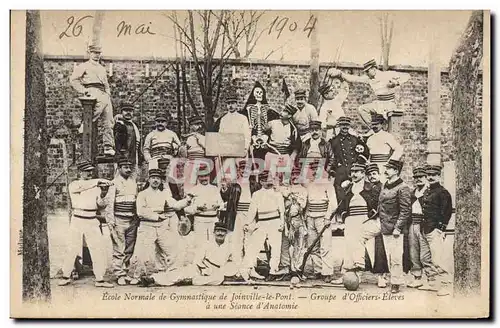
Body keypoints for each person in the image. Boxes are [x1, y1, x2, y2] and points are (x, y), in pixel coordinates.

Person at [342, 159, 411, 294]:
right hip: (381, 222)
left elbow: (405, 210)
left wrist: (398, 227)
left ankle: (396, 282)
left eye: (389, 169)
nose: (386, 171)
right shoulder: (385, 185)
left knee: (395, 256)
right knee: (357, 234)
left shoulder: (403, 188)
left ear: (396, 171)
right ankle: (359, 263)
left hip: (394, 226)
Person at [58, 161, 114, 288]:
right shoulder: (74, 185)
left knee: (97, 248)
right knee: (72, 247)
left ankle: (100, 279)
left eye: (90, 171)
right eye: (86, 171)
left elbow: (100, 204)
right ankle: (66, 276)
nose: (89, 173)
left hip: (92, 219)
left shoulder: (95, 186)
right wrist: (100, 180)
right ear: (80, 172)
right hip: (77, 219)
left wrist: (103, 194)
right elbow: (85, 186)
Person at [132, 168, 193, 284]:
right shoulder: (142, 194)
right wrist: (156, 216)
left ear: (161, 181)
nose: (155, 180)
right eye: (153, 178)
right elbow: (140, 212)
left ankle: (170, 274)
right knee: (141, 254)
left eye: (158, 178)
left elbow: (174, 205)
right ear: (149, 180)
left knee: (173, 250)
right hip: (146, 226)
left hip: (161, 227)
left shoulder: (164, 193)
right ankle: (137, 276)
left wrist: (187, 200)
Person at [327, 59, 411, 130]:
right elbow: (354, 79)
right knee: (362, 109)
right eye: (366, 71)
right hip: (379, 103)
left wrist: (395, 83)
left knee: (387, 124)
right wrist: (340, 73)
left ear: (374, 69)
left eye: (368, 71)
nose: (366, 73)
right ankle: (373, 129)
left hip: (390, 103)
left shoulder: (388, 74)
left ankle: (381, 130)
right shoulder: (369, 79)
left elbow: (407, 76)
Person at [148, 222, 233, 286]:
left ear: (226, 233)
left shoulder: (229, 247)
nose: (220, 233)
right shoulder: (207, 244)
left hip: (215, 272)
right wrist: (203, 269)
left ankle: (191, 281)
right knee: (181, 273)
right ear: (214, 232)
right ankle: (153, 279)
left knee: (219, 279)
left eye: (222, 231)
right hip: (201, 268)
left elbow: (230, 263)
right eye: (218, 231)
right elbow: (198, 259)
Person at [70, 44, 115, 156]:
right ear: (89, 53)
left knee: (109, 120)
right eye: (94, 53)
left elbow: (106, 84)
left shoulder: (102, 68)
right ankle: (86, 124)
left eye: (98, 53)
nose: (97, 55)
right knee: (103, 101)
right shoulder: (83, 66)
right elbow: (73, 80)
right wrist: (83, 90)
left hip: (103, 92)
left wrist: (108, 92)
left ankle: (108, 146)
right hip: (91, 90)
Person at [241, 170, 285, 281]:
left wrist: (282, 223)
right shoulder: (256, 194)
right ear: (261, 182)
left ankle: (273, 271)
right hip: (262, 222)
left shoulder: (277, 193)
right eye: (266, 180)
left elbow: (282, 210)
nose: (269, 181)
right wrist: (247, 223)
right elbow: (252, 211)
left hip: (275, 222)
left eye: (270, 178)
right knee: (254, 245)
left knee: (276, 247)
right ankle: (248, 270)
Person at [419, 164, 453, 296]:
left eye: (434, 175)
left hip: (434, 229)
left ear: (439, 176)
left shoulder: (443, 192)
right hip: (424, 229)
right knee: (425, 258)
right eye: (429, 175)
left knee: (439, 259)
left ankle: (446, 284)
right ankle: (431, 282)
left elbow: (447, 212)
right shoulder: (427, 191)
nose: (431, 177)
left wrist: (441, 228)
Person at [105, 157, 139, 286]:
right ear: (119, 169)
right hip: (119, 220)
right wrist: (111, 222)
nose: (128, 169)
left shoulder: (133, 182)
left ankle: (125, 271)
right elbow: (109, 204)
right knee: (119, 248)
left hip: (131, 220)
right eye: (125, 167)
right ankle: (119, 274)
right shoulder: (113, 183)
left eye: (129, 167)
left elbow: (136, 201)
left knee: (129, 248)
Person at [304, 166, 337, 282]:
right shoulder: (308, 184)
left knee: (325, 246)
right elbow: (306, 202)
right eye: (312, 170)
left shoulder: (328, 185)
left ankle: (327, 272)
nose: (314, 173)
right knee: (313, 246)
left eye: (316, 170)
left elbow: (333, 204)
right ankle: (317, 271)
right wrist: (306, 217)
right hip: (310, 218)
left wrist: (328, 218)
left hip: (323, 218)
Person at [326, 116, 370, 203]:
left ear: (349, 126)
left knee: (356, 191)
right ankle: (342, 211)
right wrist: (333, 169)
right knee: (340, 192)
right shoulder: (333, 141)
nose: (345, 127)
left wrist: (358, 164)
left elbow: (365, 152)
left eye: (346, 125)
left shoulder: (355, 140)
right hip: (340, 171)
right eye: (342, 125)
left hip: (354, 170)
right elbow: (329, 157)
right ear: (339, 126)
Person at [184, 163, 224, 248]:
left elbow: (221, 204)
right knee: (200, 245)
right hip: (200, 221)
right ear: (198, 177)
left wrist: (218, 206)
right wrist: (196, 208)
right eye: (201, 176)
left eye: (206, 176)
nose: (204, 178)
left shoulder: (215, 189)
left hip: (213, 220)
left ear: (209, 176)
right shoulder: (193, 190)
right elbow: (186, 208)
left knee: (213, 244)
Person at [363, 163, 389, 288]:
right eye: (369, 174)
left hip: (382, 220)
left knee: (380, 248)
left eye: (374, 174)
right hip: (372, 220)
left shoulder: (384, 187)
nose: (372, 176)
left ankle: (382, 276)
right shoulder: (368, 188)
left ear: (379, 174)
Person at [279, 165, 308, 276]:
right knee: (285, 244)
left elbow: (303, 205)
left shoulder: (303, 190)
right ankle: (286, 267)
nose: (295, 177)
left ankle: (296, 268)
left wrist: (293, 199)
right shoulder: (286, 188)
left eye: (298, 174)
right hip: (287, 220)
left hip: (298, 220)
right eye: (293, 174)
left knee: (299, 245)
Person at [241, 81, 280, 161]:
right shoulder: (248, 110)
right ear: (254, 95)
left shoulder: (269, 112)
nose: (260, 94)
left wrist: (265, 137)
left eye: (261, 92)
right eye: (257, 92)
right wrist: (253, 138)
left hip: (265, 141)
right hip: (253, 140)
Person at [407, 166, 430, 288]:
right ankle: (417, 277)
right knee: (413, 251)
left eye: (421, 177)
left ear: (426, 178)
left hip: (425, 225)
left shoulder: (429, 192)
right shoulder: (412, 193)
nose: (418, 180)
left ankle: (430, 279)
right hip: (413, 224)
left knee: (426, 253)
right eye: (416, 177)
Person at [265, 104, 302, 180]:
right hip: (272, 153)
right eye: (281, 111)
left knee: (285, 180)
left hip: (285, 155)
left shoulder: (293, 129)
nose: (281, 113)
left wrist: (292, 157)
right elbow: (262, 132)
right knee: (271, 179)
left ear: (289, 116)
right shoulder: (272, 123)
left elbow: (297, 144)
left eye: (284, 111)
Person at [365, 114, 403, 182]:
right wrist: (368, 162)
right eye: (373, 124)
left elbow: (399, 149)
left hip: (383, 165)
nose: (374, 126)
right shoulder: (370, 138)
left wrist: (390, 161)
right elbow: (369, 154)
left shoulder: (387, 136)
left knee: (383, 183)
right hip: (372, 166)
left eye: (377, 124)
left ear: (382, 124)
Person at [114, 103, 144, 178]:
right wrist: (120, 158)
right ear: (121, 112)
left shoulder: (134, 125)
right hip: (123, 158)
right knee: (120, 180)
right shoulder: (119, 125)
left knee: (133, 181)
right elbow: (117, 143)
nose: (128, 113)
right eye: (125, 110)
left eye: (130, 111)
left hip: (134, 157)